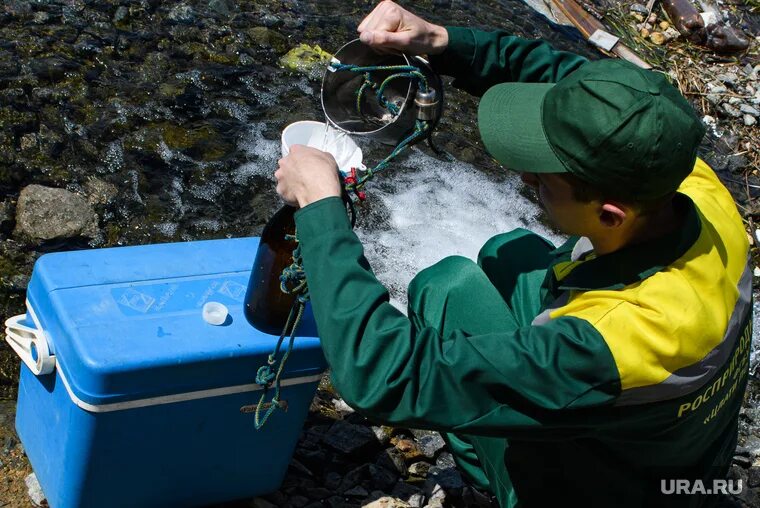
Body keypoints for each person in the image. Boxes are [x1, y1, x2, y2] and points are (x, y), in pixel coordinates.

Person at [274, 1, 753, 506]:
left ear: (611, 214)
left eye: (541, 178)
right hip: (681, 456)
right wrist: (442, 42)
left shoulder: (613, 344)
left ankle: (492, 484)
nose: (524, 178)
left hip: (604, 489)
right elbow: (581, 85)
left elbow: (380, 373)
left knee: (447, 287)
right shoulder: (691, 183)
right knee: (510, 250)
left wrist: (320, 206)